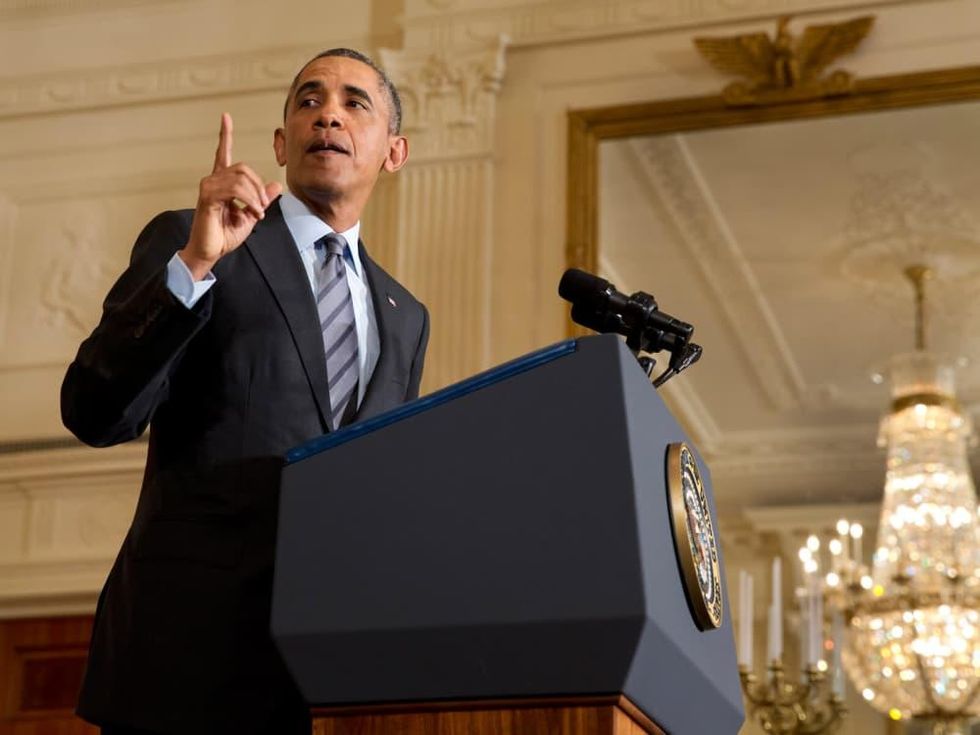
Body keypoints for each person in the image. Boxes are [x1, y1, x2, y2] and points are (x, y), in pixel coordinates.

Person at [61, 48, 430, 735]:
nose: (329, 115)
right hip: (185, 664)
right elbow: (94, 410)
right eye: (309, 100)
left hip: (324, 684)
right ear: (281, 143)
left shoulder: (406, 317)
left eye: (356, 103)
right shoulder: (199, 238)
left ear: (394, 151)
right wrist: (196, 266)